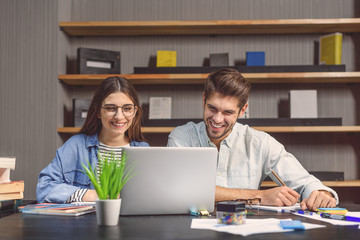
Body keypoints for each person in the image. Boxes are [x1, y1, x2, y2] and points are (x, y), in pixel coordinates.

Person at [167, 68, 338, 211]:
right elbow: (182, 190)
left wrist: (322, 194)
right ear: (204, 100)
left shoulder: (260, 143)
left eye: (228, 112)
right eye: (212, 108)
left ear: (242, 110)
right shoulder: (182, 137)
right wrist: (260, 196)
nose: (217, 120)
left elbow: (304, 182)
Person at [37, 76, 149, 203]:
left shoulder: (144, 150)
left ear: (135, 111)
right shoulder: (76, 146)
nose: (119, 116)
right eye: (110, 108)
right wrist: (96, 196)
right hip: (85, 222)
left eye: (127, 108)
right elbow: (44, 188)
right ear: (98, 111)